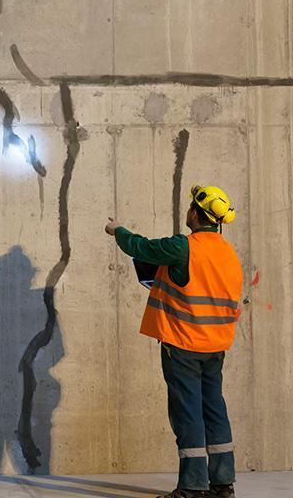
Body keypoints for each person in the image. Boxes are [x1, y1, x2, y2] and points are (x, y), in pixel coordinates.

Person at [105, 185, 243, 498]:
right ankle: (223, 485)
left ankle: (192, 487)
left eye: (191, 207)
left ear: (195, 213)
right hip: (215, 346)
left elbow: (142, 247)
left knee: (188, 413)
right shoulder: (227, 252)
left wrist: (117, 230)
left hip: (182, 345)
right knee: (214, 410)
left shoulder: (184, 247)